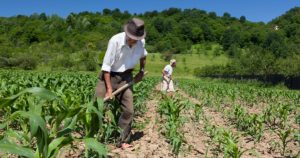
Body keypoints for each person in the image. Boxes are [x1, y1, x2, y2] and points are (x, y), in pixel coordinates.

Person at [94, 18, 147, 149]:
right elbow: (106, 66)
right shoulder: (115, 41)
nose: (133, 40)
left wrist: (141, 71)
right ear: (127, 33)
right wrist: (109, 89)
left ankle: (122, 139)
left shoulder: (141, 43)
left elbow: (143, 56)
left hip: (126, 77)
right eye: (131, 37)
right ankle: (94, 135)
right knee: (97, 106)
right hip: (109, 75)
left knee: (129, 110)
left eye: (136, 38)